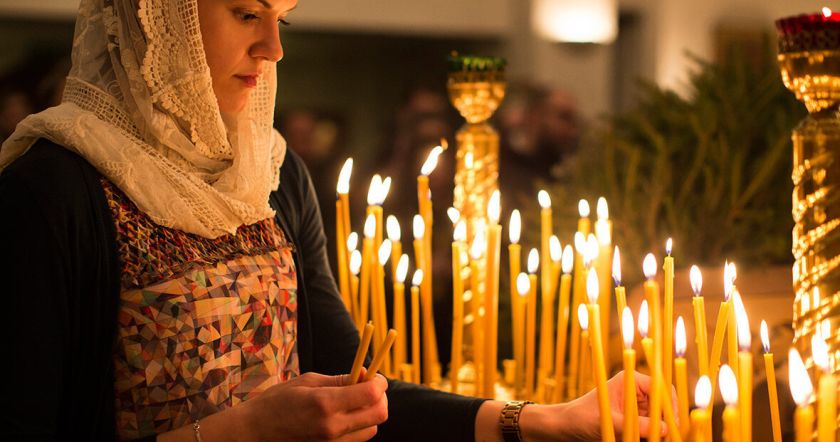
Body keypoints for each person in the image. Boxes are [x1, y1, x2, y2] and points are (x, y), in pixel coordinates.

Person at [0, 0, 670, 440]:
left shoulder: (272, 174)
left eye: (282, 20)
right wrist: (244, 432)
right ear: (157, 19)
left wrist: (538, 421)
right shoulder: (50, 195)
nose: (272, 48)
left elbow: (356, 386)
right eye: (246, 13)